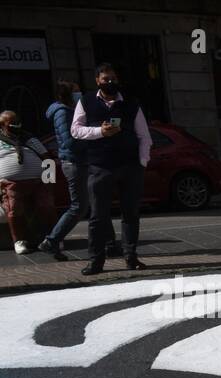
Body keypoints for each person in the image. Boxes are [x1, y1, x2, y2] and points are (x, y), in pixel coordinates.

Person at [71, 63, 150, 275]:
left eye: (113, 78)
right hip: (100, 166)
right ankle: (96, 261)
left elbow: (144, 135)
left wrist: (142, 162)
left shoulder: (131, 103)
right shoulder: (86, 101)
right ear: (97, 80)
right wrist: (100, 132)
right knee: (98, 215)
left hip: (130, 166)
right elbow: (75, 130)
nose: (110, 82)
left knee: (130, 213)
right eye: (106, 79)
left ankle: (131, 257)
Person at [38, 81, 102, 261]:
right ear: (66, 94)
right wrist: (93, 137)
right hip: (74, 163)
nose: (79, 93)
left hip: (79, 162)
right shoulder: (63, 113)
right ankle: (51, 241)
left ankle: (106, 242)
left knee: (91, 204)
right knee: (79, 207)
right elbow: (71, 142)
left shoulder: (70, 111)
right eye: (75, 91)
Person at [0, 111, 54, 255]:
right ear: (2, 125)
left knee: (47, 204)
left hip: (38, 182)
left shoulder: (30, 139)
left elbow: (47, 158)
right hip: (11, 183)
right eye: (11, 123)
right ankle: (19, 241)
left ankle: (52, 239)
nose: (15, 125)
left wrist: (49, 181)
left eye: (17, 121)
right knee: (14, 206)